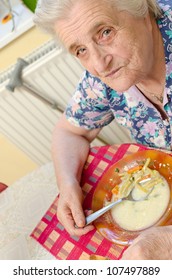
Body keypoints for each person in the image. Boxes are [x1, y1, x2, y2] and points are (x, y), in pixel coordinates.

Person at [34, 0, 172, 259]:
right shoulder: (101, 81)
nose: (99, 64)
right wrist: (68, 184)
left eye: (105, 32)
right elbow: (69, 132)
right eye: (81, 50)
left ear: (142, 9)